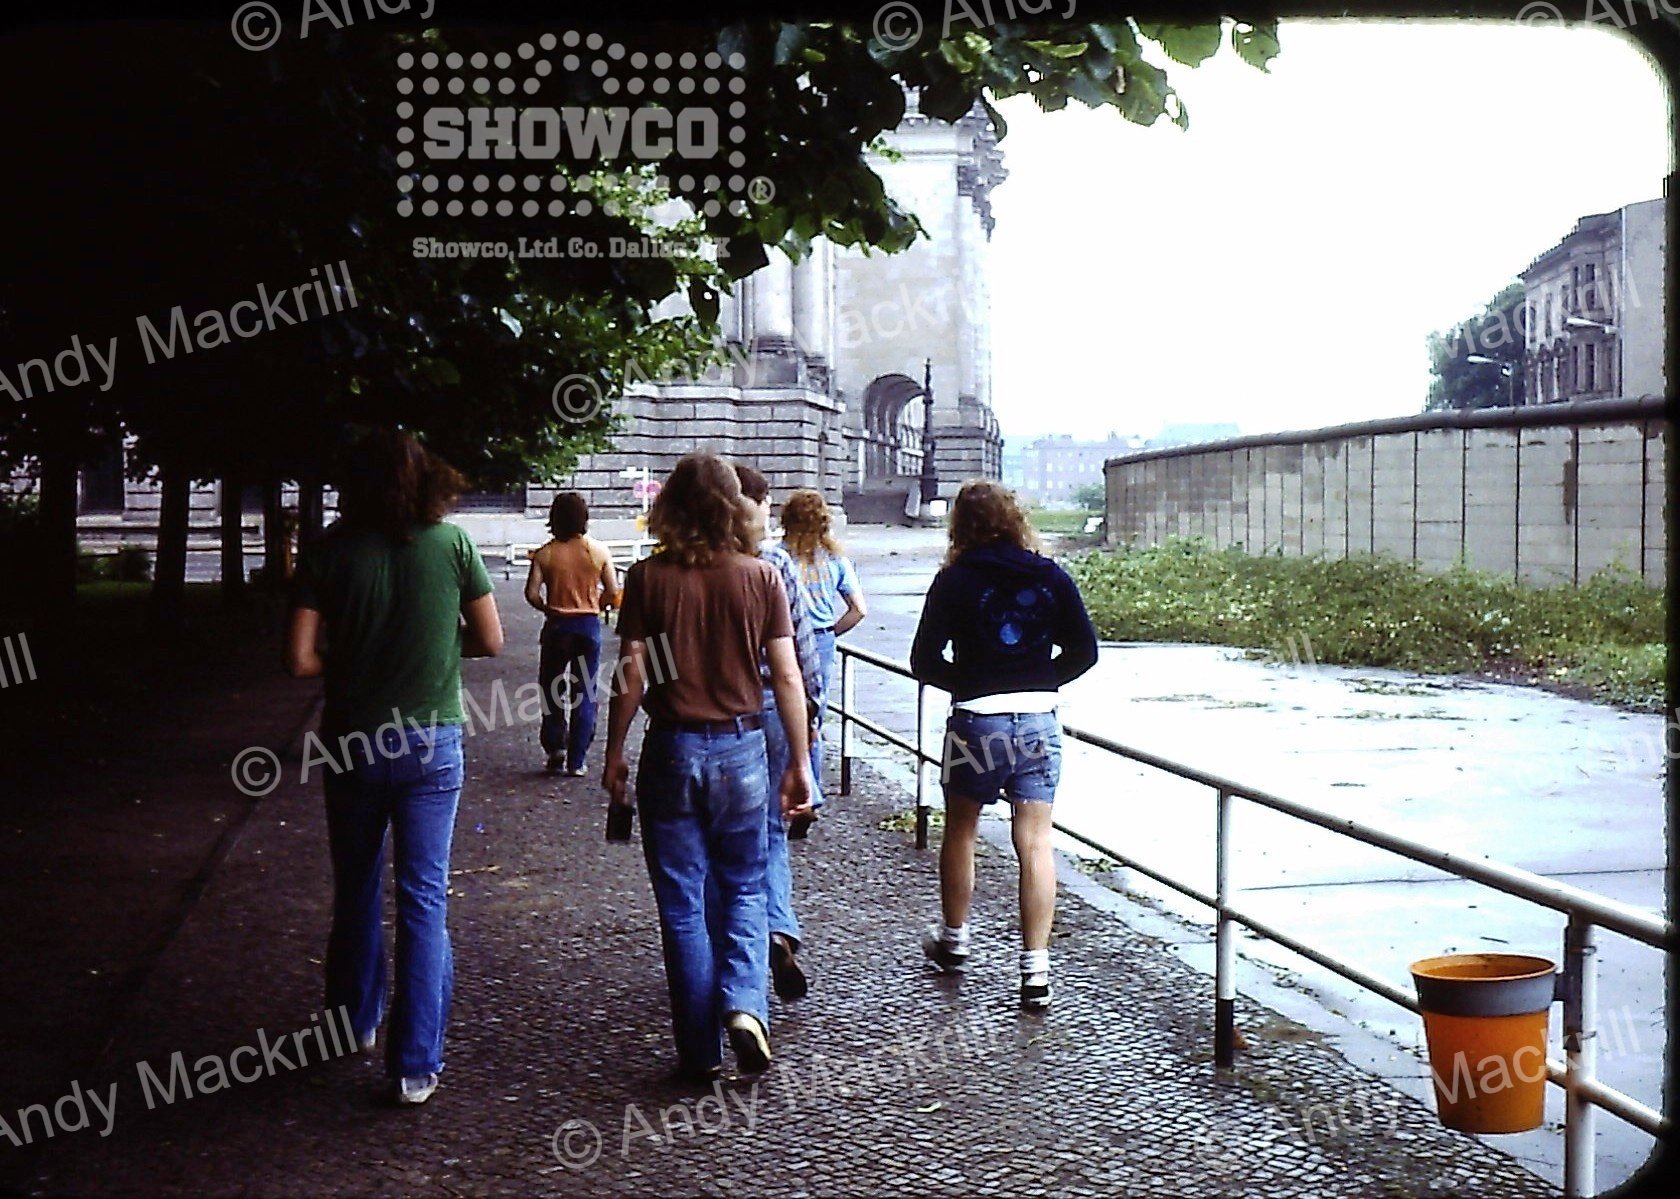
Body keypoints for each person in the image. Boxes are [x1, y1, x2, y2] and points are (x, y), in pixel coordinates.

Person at [285, 429, 504, 1105]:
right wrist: (436, 646)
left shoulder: (326, 550)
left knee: (355, 885)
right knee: (424, 897)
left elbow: (300, 659)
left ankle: (353, 1021)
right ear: (429, 478)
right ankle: (414, 1065)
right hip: (431, 743)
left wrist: (355, 660)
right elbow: (491, 639)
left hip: (352, 740)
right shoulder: (454, 546)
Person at [603, 453, 813, 1080]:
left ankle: (698, 1052)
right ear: (733, 508)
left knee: (681, 903)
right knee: (746, 885)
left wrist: (615, 752)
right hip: (744, 748)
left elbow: (634, 673)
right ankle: (746, 1007)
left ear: (670, 508)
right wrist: (799, 761)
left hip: (670, 748)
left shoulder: (646, 579)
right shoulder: (760, 578)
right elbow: (787, 676)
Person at [908, 480, 1098, 1011]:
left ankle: (954, 941)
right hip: (1039, 723)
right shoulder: (1051, 576)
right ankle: (1036, 972)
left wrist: (973, 681)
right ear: (1016, 519)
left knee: (962, 830)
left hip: (975, 725)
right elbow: (1085, 650)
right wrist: (1040, 678)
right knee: (1036, 843)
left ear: (960, 525)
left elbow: (923, 660)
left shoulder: (953, 581)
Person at [734, 464, 824, 1001]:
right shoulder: (776, 564)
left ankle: (735, 952)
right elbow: (801, 653)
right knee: (770, 829)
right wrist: (808, 724)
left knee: (723, 837)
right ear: (757, 505)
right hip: (773, 705)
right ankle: (777, 929)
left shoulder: (684, 564)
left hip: (723, 711)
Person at [778, 488, 866, 835]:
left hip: (782, 640)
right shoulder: (836, 561)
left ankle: (790, 788)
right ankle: (811, 792)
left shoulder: (777, 557)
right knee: (813, 716)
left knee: (779, 711)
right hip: (822, 640)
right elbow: (859, 610)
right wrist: (830, 632)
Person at [524, 492, 619, 776]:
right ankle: (577, 760)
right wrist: (595, 605)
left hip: (556, 626)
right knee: (586, 691)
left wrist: (548, 608)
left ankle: (556, 747)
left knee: (551, 688)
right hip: (588, 626)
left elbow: (530, 593)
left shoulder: (545, 553)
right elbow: (613, 593)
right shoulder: (599, 552)